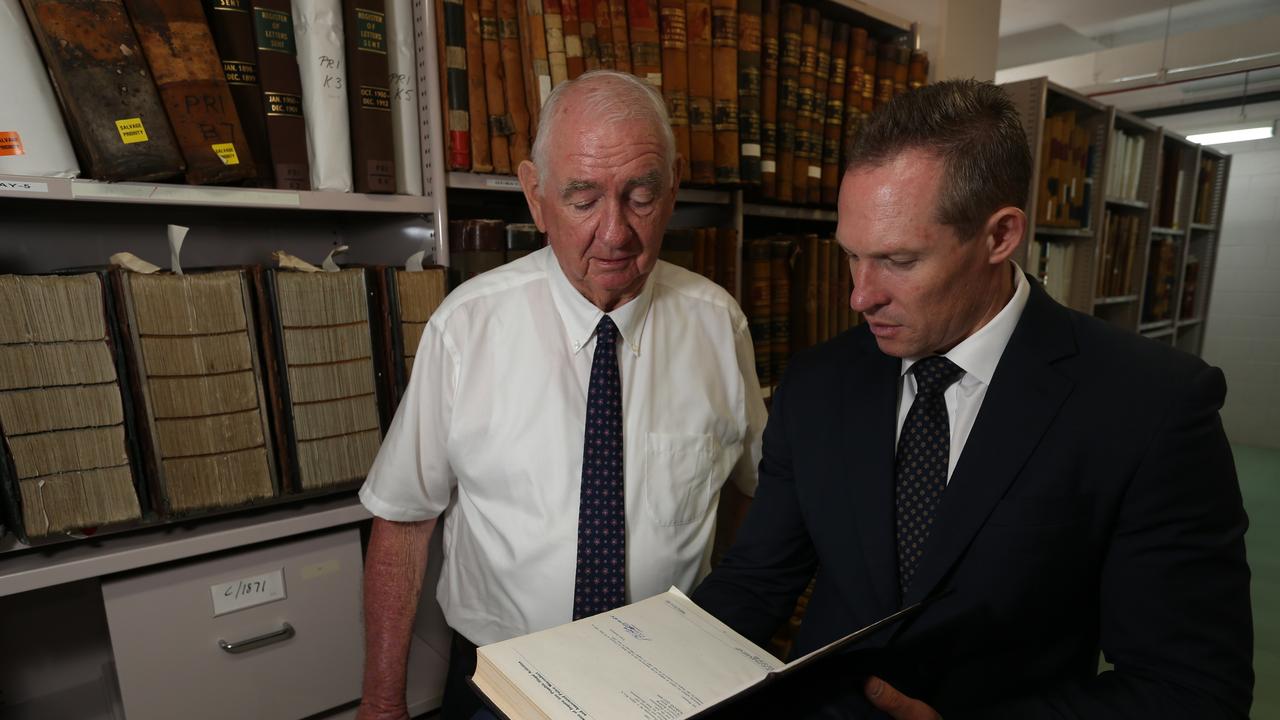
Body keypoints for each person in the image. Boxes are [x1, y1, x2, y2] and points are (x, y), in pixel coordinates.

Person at [693, 79, 1253, 719]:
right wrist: (639, 680)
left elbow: (1194, 689)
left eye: (898, 260)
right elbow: (758, 582)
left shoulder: (1152, 406)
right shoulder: (819, 381)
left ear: (1000, 236)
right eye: (851, 256)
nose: (860, 295)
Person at [356, 70, 766, 720]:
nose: (615, 232)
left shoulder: (720, 325)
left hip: (673, 680)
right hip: (500, 687)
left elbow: (746, 496)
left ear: (674, 185)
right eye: (582, 199)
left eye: (640, 195)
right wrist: (382, 701)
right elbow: (404, 521)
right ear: (535, 194)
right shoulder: (466, 328)